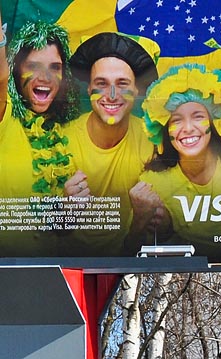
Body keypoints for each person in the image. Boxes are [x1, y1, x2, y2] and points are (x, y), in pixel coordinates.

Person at [133, 64, 221, 259]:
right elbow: (133, 252)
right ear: (166, 131)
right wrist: (141, 220)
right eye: (177, 120)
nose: (188, 128)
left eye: (198, 117)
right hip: (192, 278)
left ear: (213, 123)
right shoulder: (153, 182)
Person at [62, 32, 160, 254]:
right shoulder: (60, 141)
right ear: (89, 89)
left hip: (125, 265)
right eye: (102, 84)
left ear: (136, 91)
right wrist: (63, 212)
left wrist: (143, 220)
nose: (113, 94)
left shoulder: (152, 141)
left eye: (122, 83)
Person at [0, 15, 83, 254]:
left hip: (49, 273)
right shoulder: (6, 118)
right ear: (16, 71)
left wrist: (66, 212)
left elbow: (61, 232)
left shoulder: (65, 135)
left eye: (54, 67)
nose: (45, 77)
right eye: (33, 66)